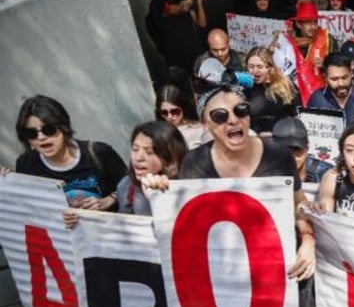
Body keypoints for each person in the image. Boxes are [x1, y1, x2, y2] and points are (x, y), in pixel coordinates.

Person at [143, 84, 316, 307]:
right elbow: (184, 216)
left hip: (276, 263)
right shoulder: (193, 163)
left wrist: (308, 240)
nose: (232, 121)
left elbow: (299, 204)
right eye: (220, 115)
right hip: (226, 265)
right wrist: (161, 188)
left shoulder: (278, 154)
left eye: (240, 111)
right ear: (206, 124)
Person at [11, 95, 127, 227]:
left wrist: (108, 201)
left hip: (108, 233)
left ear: (64, 127)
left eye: (49, 129)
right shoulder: (26, 164)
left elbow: (131, 186)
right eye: (32, 133)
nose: (41, 137)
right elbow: (29, 210)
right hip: (64, 241)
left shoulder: (99, 152)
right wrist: (6, 179)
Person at [145, 0, 208, 90]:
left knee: (206, 92)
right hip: (177, 63)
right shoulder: (156, 4)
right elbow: (183, 7)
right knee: (185, 96)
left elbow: (202, 23)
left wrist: (199, 1)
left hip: (197, 56)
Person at [117, 121, 187, 215]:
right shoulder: (125, 186)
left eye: (149, 152)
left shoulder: (186, 189)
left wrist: (159, 198)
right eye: (135, 149)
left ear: (170, 157)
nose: (138, 158)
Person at [244, 46, 300, 135]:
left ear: (270, 68)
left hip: (280, 137)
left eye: (260, 67)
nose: (255, 71)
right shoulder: (244, 88)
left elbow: (297, 115)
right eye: (251, 66)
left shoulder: (287, 87)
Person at [272, 117, 333, 184]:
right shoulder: (263, 172)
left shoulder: (325, 174)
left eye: (296, 149)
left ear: (306, 148)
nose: (290, 156)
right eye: (284, 149)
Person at [155, 85, 209, 149]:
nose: (169, 116)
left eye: (174, 111)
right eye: (164, 112)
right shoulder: (159, 134)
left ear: (183, 108)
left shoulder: (200, 129)